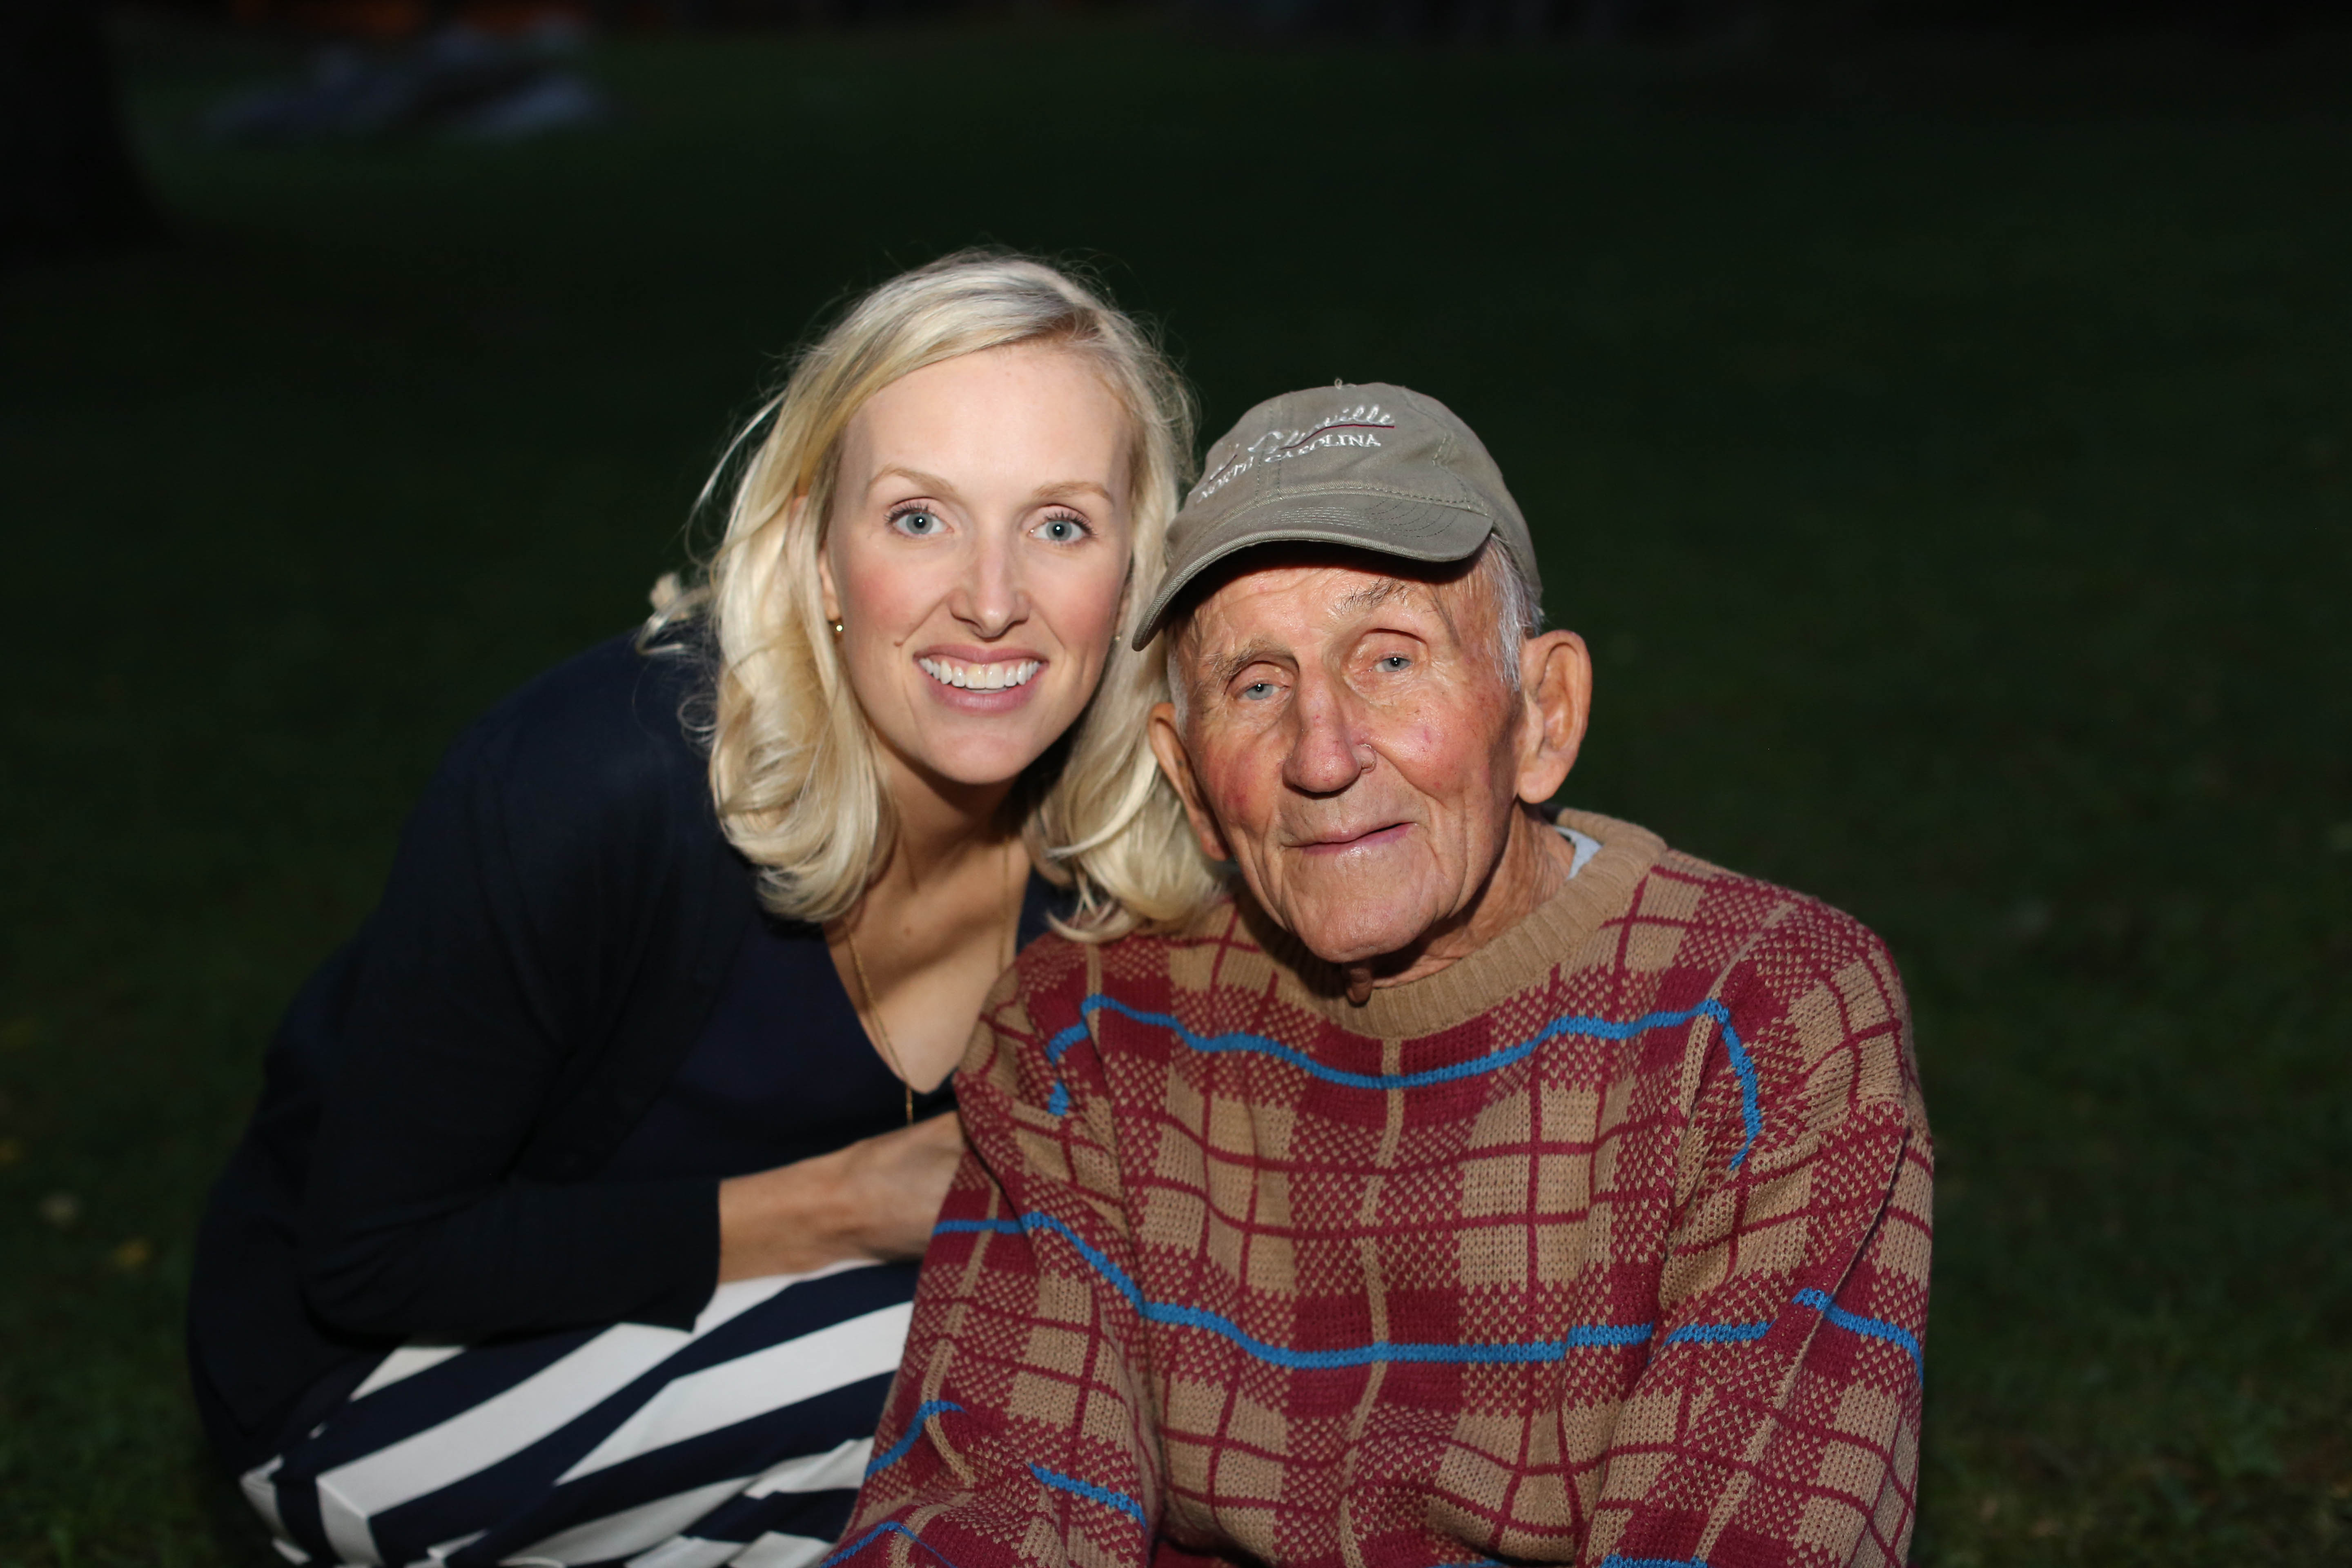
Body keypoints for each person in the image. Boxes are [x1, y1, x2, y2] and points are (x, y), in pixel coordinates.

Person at [186, 253, 1218, 1568]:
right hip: (374, 1391)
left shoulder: (1128, 834)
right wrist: (850, 1203)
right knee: (1024, 1349)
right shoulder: (592, 789)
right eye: (919, 518)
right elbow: (374, 1261)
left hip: (764, 1356)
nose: (993, 597)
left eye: (1061, 526)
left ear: (1136, 572)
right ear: (818, 549)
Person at [837, 383, 1935, 1568]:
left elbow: (1742, 1532)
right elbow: (998, 1499)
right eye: (1257, 685)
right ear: (1191, 782)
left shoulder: (1766, 1014)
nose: (1323, 754)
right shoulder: (1089, 1033)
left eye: (1392, 660)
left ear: (1543, 714)